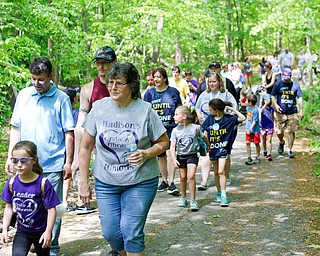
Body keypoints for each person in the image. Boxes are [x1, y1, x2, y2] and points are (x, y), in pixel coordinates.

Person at [78, 62, 169, 256]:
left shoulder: (145, 110)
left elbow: (164, 142)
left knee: (131, 232)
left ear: (132, 86)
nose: (113, 87)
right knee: (110, 233)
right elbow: (85, 147)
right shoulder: (99, 108)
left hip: (140, 181)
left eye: (119, 83)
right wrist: (83, 183)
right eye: (111, 83)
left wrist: (147, 153)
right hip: (106, 182)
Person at [5, 57, 74, 256]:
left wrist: (68, 161)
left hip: (52, 162)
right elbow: (15, 127)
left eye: (41, 79)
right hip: (24, 163)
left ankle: (51, 247)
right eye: (33, 79)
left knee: (52, 206)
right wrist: (11, 157)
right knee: (26, 204)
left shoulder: (61, 98)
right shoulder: (25, 95)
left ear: (51, 76)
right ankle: (30, 241)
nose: (36, 83)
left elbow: (69, 132)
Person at [72, 45, 117, 213]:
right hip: (96, 141)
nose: (101, 67)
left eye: (105, 63)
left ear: (114, 63)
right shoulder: (88, 89)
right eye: (98, 63)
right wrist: (77, 156)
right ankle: (83, 200)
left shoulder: (124, 86)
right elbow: (80, 125)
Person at [1, 141, 61, 256]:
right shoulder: (11, 183)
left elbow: (51, 209)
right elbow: (9, 207)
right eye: (15, 160)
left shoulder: (43, 183)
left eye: (24, 160)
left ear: (34, 160)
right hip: (22, 232)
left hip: (41, 232)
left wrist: (48, 232)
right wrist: (4, 229)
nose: (19, 164)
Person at [195, 72, 237, 190]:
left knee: (224, 153)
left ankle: (225, 176)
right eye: (210, 82)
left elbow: (234, 108)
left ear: (219, 82)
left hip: (223, 128)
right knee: (206, 154)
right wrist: (199, 116)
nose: (212, 84)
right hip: (207, 127)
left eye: (214, 81)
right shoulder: (204, 95)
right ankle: (204, 181)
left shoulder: (226, 94)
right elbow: (196, 107)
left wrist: (227, 117)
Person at [144, 68, 182, 195]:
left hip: (171, 127)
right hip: (156, 130)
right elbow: (145, 112)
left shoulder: (173, 92)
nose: (156, 79)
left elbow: (179, 108)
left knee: (171, 154)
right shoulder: (149, 94)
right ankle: (164, 180)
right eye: (154, 77)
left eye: (159, 77)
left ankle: (172, 182)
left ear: (165, 78)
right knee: (161, 156)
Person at [202, 99, 246, 207]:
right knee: (216, 172)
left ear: (216, 110)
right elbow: (204, 131)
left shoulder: (229, 119)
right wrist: (206, 144)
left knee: (221, 171)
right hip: (213, 149)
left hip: (223, 149)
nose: (209, 111)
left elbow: (243, 118)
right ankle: (218, 192)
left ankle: (223, 194)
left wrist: (231, 109)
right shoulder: (209, 119)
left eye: (211, 109)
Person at [170, 106, 210, 211]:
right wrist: (174, 159)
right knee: (183, 177)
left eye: (176, 114)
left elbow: (203, 137)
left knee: (191, 176)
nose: (174, 117)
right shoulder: (175, 131)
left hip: (192, 155)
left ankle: (193, 200)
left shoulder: (195, 128)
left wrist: (208, 145)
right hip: (181, 156)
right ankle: (183, 197)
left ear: (184, 116)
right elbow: (172, 147)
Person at [271, 68, 304, 158]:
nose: (285, 79)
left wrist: (301, 110)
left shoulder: (295, 85)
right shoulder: (278, 84)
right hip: (280, 112)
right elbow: (273, 96)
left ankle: (289, 149)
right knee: (278, 131)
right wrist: (275, 105)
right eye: (284, 77)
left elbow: (300, 98)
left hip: (292, 111)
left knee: (291, 131)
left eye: (287, 77)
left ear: (290, 76)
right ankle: (281, 142)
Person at [62, 88, 82, 212]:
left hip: (59, 147)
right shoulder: (75, 113)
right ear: (74, 99)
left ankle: (63, 200)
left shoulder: (59, 111)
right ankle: (75, 201)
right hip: (72, 147)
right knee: (70, 173)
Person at [245, 94, 261, 165]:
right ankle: (249, 156)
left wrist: (250, 129)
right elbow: (243, 102)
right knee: (247, 142)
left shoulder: (255, 110)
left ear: (250, 103)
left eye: (247, 101)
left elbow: (255, 121)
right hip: (248, 129)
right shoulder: (248, 108)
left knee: (256, 143)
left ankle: (257, 156)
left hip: (255, 130)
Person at [259, 94, 275, 161]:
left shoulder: (272, 109)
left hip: (270, 126)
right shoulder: (262, 107)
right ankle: (265, 151)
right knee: (264, 140)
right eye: (265, 99)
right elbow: (260, 111)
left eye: (268, 99)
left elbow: (273, 117)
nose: (267, 101)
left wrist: (274, 125)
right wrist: (265, 105)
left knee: (269, 140)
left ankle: (269, 154)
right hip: (263, 126)